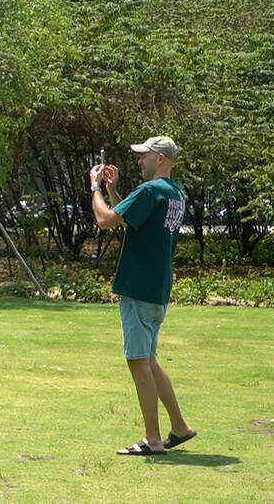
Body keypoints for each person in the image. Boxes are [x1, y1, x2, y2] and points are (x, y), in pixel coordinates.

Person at [89, 136, 197, 456]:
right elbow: (133, 218)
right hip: (158, 289)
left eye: (145, 156)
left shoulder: (150, 191)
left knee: (138, 362)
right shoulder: (175, 192)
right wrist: (112, 189)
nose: (140, 162)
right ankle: (179, 427)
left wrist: (95, 188)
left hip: (138, 289)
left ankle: (152, 440)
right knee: (148, 359)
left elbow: (106, 220)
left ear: (160, 159)